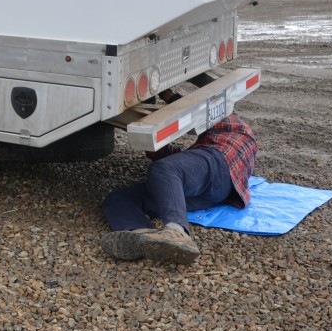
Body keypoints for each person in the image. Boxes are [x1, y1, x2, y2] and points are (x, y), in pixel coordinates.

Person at [100, 109, 257, 264]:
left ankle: (177, 232)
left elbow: (194, 106)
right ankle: (143, 235)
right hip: (211, 193)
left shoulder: (233, 124)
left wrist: (166, 96)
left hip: (221, 165)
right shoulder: (202, 149)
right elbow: (177, 166)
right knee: (118, 199)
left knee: (165, 169)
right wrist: (148, 143)